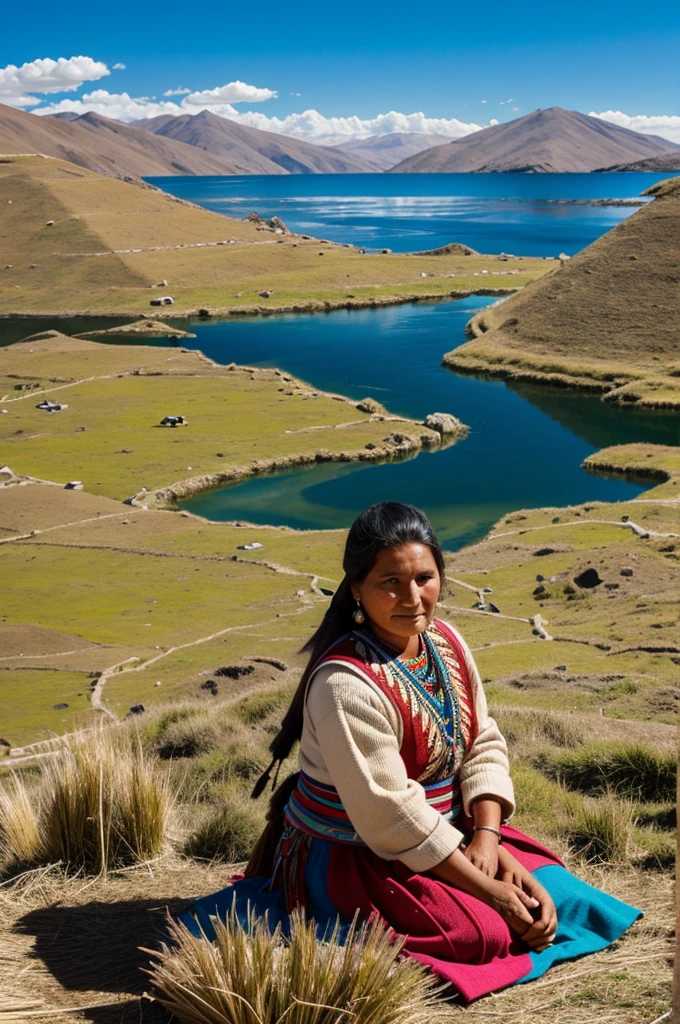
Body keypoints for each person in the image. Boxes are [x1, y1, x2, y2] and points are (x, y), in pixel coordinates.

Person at [180, 502, 641, 1003]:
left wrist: (487, 842)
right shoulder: (344, 685)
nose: (413, 598)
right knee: (479, 932)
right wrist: (490, 889)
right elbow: (390, 815)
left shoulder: (445, 641)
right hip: (358, 853)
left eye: (425, 577)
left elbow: (482, 740)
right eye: (390, 582)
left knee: (559, 896)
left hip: (453, 832)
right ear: (357, 589)